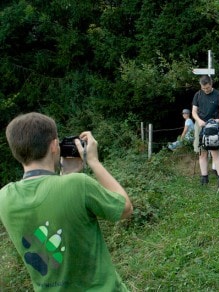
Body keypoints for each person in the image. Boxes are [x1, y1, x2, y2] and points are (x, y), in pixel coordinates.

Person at [0, 112, 133, 291]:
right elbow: (125, 209)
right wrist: (94, 162)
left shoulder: (5, 197)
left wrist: (68, 176)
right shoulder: (78, 184)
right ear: (55, 145)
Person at [192, 75, 219, 185]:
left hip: (213, 126)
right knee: (202, 153)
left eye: (207, 88)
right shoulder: (198, 95)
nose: (205, 90)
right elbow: (194, 111)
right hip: (200, 125)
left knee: (215, 153)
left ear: (211, 84)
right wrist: (198, 120)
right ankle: (204, 177)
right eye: (203, 88)